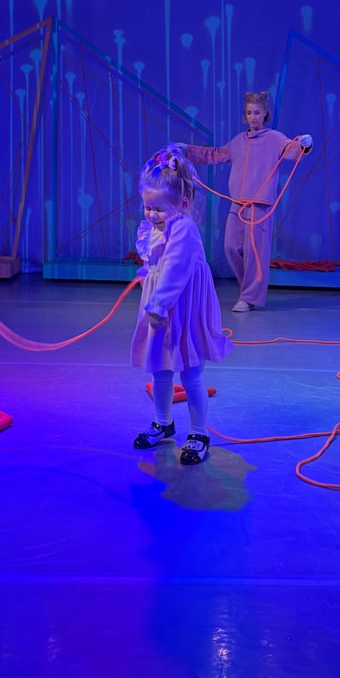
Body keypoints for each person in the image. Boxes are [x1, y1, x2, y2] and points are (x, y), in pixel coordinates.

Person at [131, 145, 232, 465]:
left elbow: (175, 270)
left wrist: (158, 304)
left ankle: (199, 433)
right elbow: (155, 260)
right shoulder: (156, 226)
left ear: (183, 204)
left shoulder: (184, 229)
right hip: (161, 310)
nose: (151, 214)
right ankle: (163, 422)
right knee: (161, 368)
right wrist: (148, 273)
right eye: (147, 207)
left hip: (183, 310)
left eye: (158, 209)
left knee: (190, 373)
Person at [182, 92, 312, 312]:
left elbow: (292, 150)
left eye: (257, 113)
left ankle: (249, 297)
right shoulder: (238, 141)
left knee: (255, 254)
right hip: (237, 204)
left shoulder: (274, 138)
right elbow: (215, 154)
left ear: (265, 114)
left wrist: (304, 144)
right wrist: (188, 150)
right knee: (231, 247)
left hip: (260, 205)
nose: (253, 117)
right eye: (249, 113)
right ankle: (249, 290)